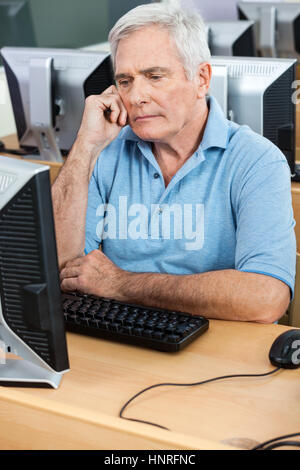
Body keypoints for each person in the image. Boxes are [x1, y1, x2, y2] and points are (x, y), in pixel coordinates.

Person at [52, 3, 296, 323]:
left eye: (154, 76)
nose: (136, 96)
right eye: (124, 81)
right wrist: (85, 145)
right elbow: (58, 269)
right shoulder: (105, 152)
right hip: (119, 339)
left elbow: (266, 297)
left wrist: (120, 284)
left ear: (201, 79)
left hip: (217, 352)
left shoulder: (256, 161)